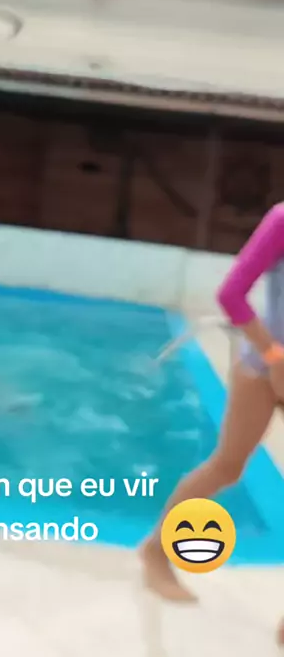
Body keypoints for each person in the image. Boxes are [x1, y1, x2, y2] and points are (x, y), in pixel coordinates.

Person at [141, 202, 284, 603]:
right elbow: (231, 295)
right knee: (226, 467)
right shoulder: (282, 220)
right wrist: (274, 357)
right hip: (263, 370)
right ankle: (155, 551)